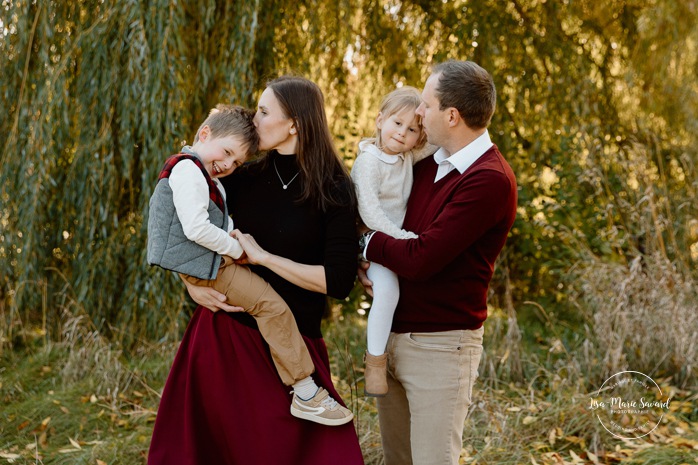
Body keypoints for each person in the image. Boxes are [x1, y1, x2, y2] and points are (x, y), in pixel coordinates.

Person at [147, 76, 364, 465]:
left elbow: (339, 282)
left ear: (294, 122)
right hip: (225, 338)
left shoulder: (336, 189)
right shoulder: (240, 177)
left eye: (264, 112)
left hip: (293, 341)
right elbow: (182, 225)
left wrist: (264, 259)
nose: (254, 117)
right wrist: (190, 284)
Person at [358, 60, 517, 465]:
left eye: (425, 105)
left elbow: (422, 258)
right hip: (394, 337)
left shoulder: (488, 180)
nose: (418, 113)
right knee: (399, 461)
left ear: (451, 115)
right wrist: (373, 258)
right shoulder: (428, 164)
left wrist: (365, 244)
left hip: (440, 349)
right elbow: (391, 224)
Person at [349, 86, 434, 396]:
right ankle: (374, 363)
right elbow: (369, 211)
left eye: (412, 129)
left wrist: (433, 110)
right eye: (397, 124)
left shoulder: (406, 157)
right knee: (388, 292)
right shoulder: (369, 161)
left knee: (402, 292)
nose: (402, 133)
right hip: (373, 239)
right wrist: (401, 239)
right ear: (380, 119)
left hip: (394, 242)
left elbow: (439, 141)